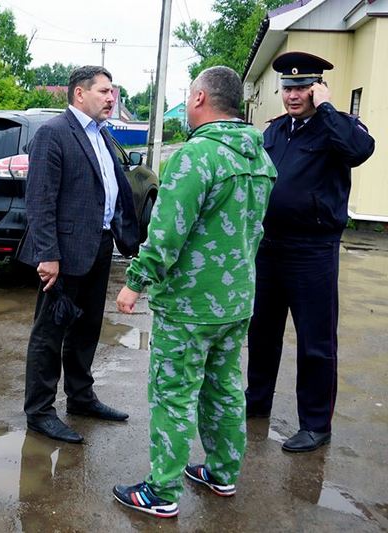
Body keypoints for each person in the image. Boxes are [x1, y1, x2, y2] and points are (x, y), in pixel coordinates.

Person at [112, 66, 277, 518]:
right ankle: (222, 474)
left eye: (188, 97)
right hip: (236, 300)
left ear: (201, 98)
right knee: (224, 389)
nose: (187, 105)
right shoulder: (259, 158)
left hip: (189, 305)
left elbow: (166, 234)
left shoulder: (195, 157)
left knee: (174, 393)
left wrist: (135, 282)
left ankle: (161, 493)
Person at [245, 51, 375, 452]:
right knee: (262, 333)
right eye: (288, 88)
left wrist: (328, 109)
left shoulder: (338, 128)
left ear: (317, 88)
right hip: (269, 247)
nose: (292, 95)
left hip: (312, 250)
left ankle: (316, 424)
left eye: (302, 87)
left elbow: (359, 151)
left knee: (316, 341)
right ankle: (257, 403)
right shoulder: (275, 131)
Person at [17, 65, 139, 444]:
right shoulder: (54, 135)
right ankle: (39, 411)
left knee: (86, 330)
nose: (111, 98)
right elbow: (40, 199)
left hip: (98, 247)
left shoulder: (100, 136)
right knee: (49, 334)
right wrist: (48, 254)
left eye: (113, 91)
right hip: (65, 254)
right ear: (79, 94)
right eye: (104, 91)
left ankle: (81, 398)